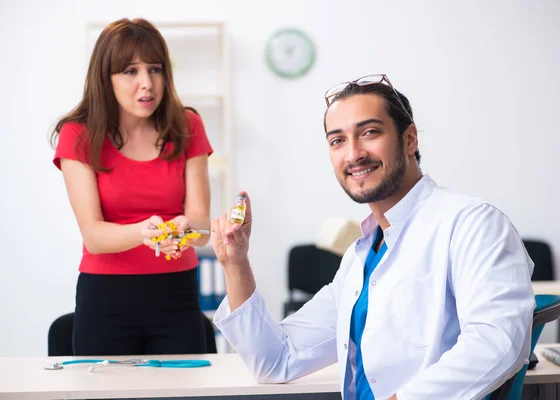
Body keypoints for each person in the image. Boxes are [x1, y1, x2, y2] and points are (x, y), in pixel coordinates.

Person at [210, 74, 535, 399]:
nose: (353, 154)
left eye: (369, 133)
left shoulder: (472, 224)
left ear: (409, 140)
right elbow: (276, 360)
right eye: (337, 140)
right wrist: (235, 263)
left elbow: (499, 341)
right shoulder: (359, 257)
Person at [51, 18, 213, 356]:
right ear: (105, 78)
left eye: (155, 69)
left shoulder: (188, 126)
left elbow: (201, 229)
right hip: (106, 297)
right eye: (130, 71)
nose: (147, 84)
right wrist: (145, 232)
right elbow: (93, 236)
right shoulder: (77, 135)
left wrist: (186, 227)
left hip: (177, 294)